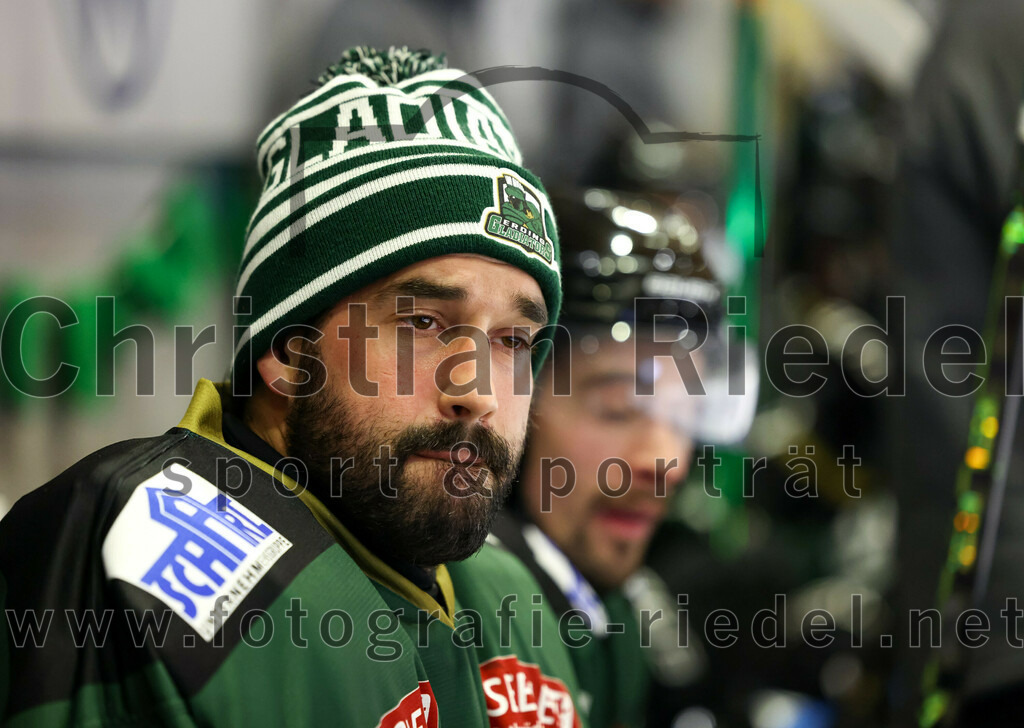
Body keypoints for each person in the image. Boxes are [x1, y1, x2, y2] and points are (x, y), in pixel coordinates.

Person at [0, 47, 585, 728]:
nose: (479, 393)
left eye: (513, 341)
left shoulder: (510, 594)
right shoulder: (133, 568)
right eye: (425, 322)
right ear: (286, 349)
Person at [490, 188, 757, 728]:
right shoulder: (469, 624)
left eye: (687, 412)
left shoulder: (623, 607)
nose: (666, 461)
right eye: (616, 407)